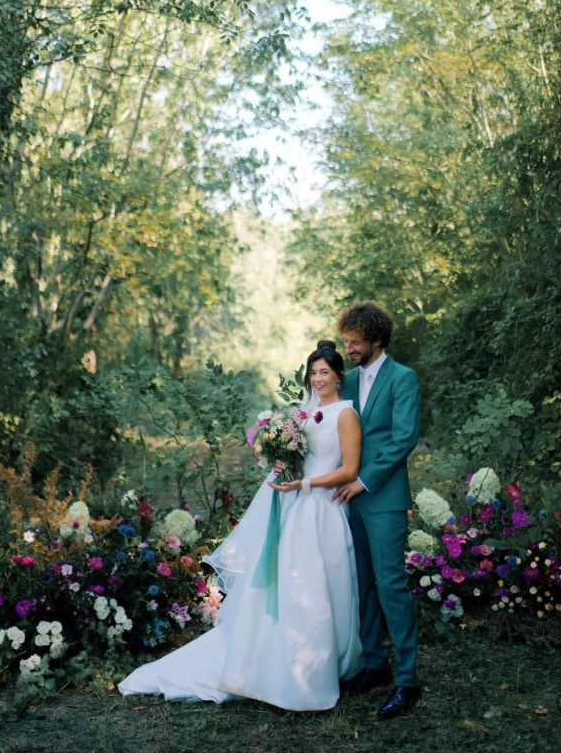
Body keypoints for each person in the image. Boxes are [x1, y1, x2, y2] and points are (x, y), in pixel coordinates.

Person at [118, 341, 363, 711]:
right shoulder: (301, 414)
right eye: (313, 373)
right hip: (297, 508)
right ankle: (279, 661)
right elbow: (299, 457)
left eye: (325, 372)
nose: (318, 379)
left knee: (323, 587)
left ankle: (320, 666)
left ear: (339, 375)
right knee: (292, 586)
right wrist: (283, 464)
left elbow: (349, 469)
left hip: (325, 509)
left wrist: (307, 483)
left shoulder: (346, 414)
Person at [332, 301, 422, 720]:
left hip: (382, 498)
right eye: (346, 340)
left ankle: (407, 681)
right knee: (360, 582)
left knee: (391, 586)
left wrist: (364, 481)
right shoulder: (345, 381)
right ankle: (374, 664)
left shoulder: (404, 379)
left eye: (355, 342)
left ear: (376, 340)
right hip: (345, 498)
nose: (348, 348)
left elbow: (403, 439)